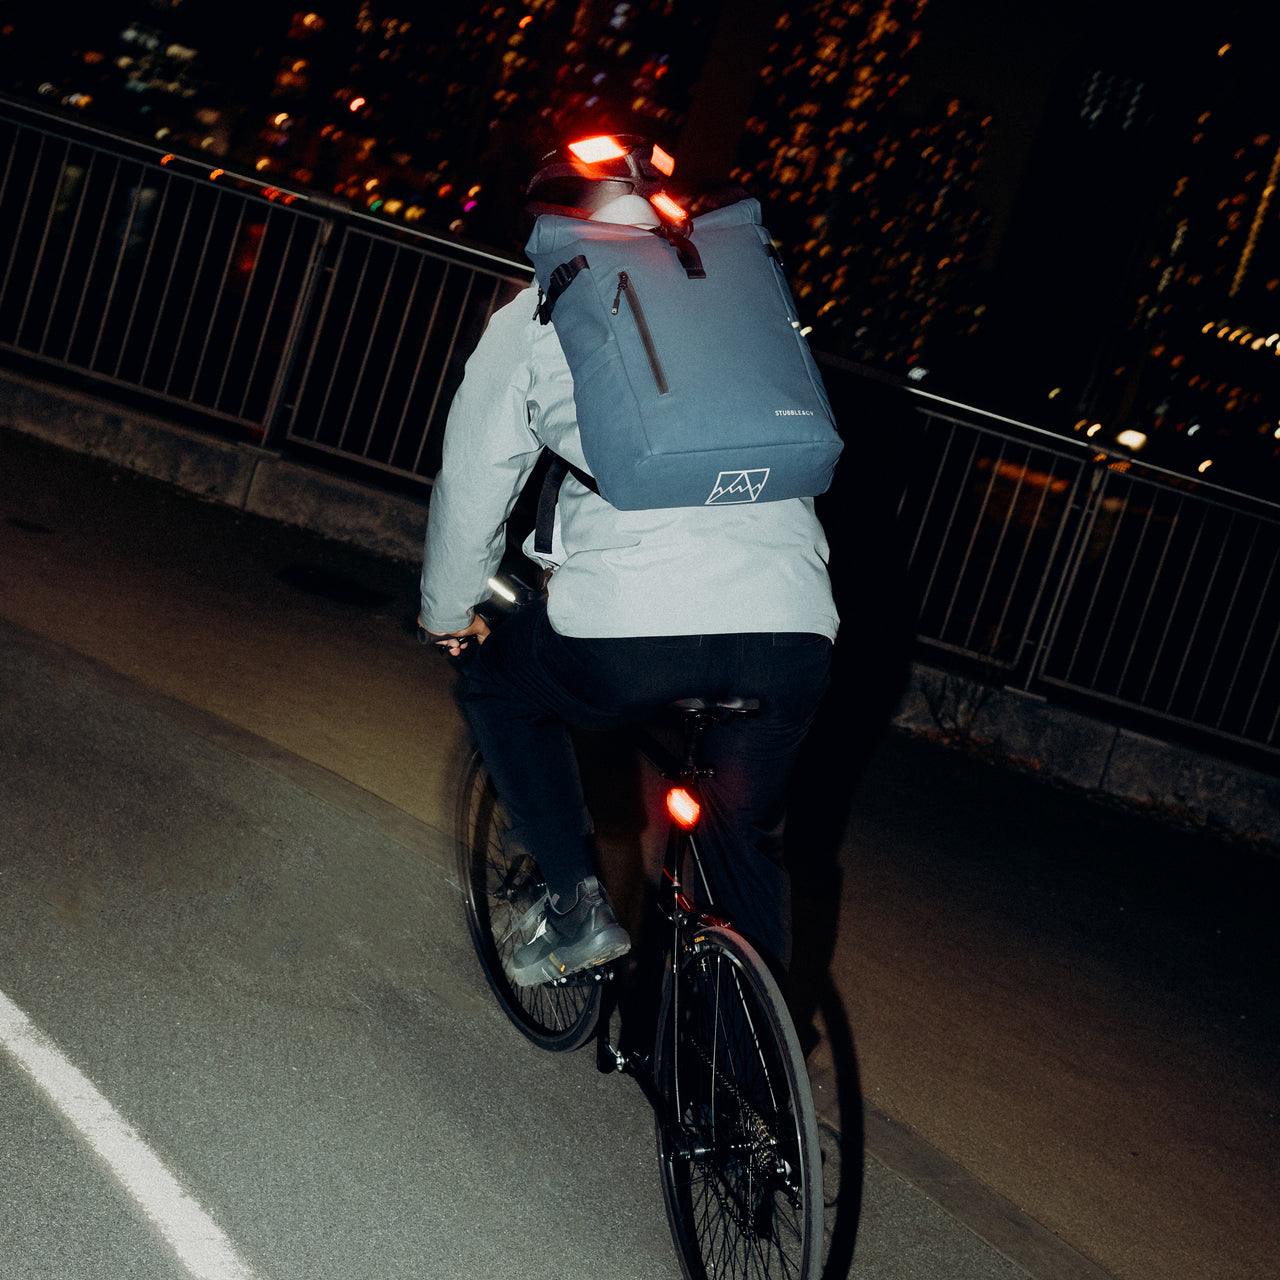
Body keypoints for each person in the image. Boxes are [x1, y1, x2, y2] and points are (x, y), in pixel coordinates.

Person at [419, 134, 838, 986]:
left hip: (630, 631)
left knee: (501, 687)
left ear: (555, 215)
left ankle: (573, 907)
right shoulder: (736, 301)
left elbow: (474, 479)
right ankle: (752, 1080)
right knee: (743, 836)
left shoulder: (541, 309)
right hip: (794, 630)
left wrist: (445, 611)